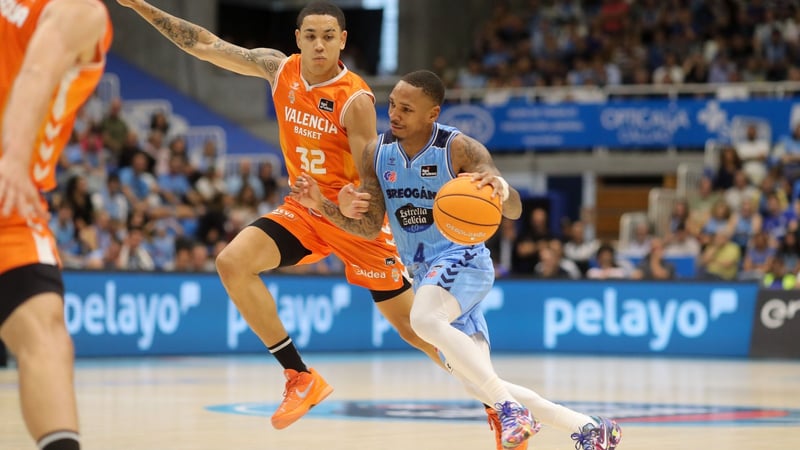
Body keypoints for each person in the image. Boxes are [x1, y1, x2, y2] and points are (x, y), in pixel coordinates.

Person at [117, 0, 442, 430]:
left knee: (415, 330)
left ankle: (495, 396)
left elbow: (371, 179)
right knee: (232, 262)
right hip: (304, 210)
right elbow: (204, 44)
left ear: (343, 40)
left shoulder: (354, 99)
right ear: (298, 39)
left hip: (352, 222)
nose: (319, 45)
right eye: (311, 36)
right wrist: (141, 6)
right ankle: (299, 376)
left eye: (329, 37)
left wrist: (352, 201)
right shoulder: (279, 69)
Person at [294, 70, 623, 450]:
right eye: (392, 105)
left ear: (432, 114)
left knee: (422, 321)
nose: (394, 115)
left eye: (406, 109)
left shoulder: (459, 148)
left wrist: (502, 189)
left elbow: (514, 209)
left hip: (463, 257)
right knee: (478, 381)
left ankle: (510, 410)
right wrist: (322, 206)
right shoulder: (376, 153)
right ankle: (591, 427)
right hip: (424, 274)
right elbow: (368, 227)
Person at [0, 1, 113, 449]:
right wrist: (14, 160)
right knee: (44, 334)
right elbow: (34, 74)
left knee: (42, 330)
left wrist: (13, 158)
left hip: (10, 198)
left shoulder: (76, 10)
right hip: (11, 194)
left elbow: (37, 73)